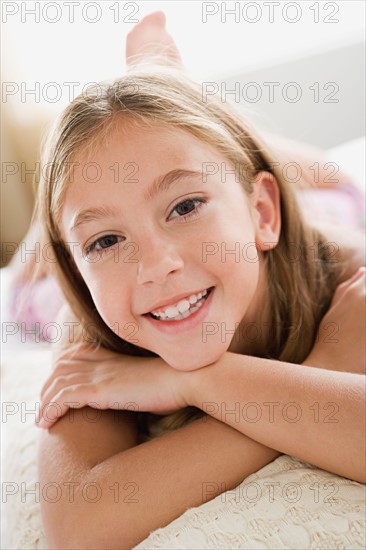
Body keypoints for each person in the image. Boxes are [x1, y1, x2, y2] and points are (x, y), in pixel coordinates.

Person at [32, 12, 365, 549]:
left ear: (263, 214)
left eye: (185, 206)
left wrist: (191, 381)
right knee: (33, 274)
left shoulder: (351, 284)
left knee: (332, 182)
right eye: (106, 241)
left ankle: (178, 88)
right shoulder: (87, 334)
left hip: (317, 218)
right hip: (41, 290)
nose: (156, 264)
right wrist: (321, 371)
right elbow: (78, 527)